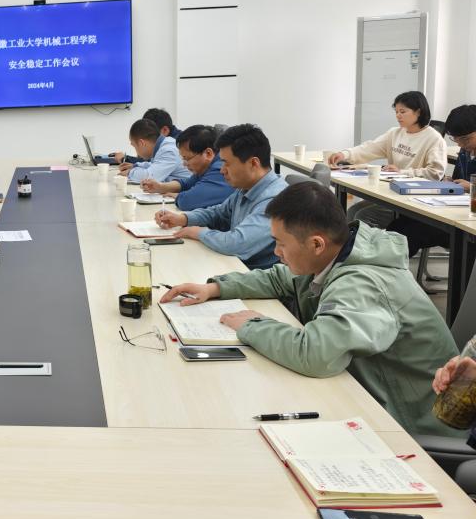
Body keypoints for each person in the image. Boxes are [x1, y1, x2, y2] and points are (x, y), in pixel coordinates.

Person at [161, 182, 459, 437]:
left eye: (280, 243)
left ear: (316, 244)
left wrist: (252, 324)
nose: (276, 252)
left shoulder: (362, 283)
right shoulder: (338, 252)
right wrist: (216, 288)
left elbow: (316, 355)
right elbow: (281, 278)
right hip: (368, 396)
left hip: (408, 425)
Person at [155, 123, 286, 269]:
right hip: (234, 265)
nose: (222, 170)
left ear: (253, 163)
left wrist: (199, 233)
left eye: (227, 164)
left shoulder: (275, 199)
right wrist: (183, 218)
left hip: (252, 274)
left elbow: (237, 243)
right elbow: (218, 213)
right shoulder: (246, 187)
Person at [326, 90, 447, 228]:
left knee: (362, 216)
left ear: (418, 112)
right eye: (396, 112)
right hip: (392, 192)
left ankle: (367, 242)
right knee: (353, 211)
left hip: (412, 199)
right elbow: (370, 148)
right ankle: (351, 242)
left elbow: (435, 173)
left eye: (403, 111)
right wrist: (345, 155)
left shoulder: (433, 139)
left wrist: (402, 172)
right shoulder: (395, 133)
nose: (398, 116)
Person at [388, 104, 476, 257]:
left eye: (465, 139)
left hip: (466, 222)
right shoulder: (465, 151)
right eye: (456, 140)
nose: (461, 145)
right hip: (455, 212)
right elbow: (460, 179)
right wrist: (450, 181)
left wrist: (472, 187)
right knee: (398, 226)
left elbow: (470, 185)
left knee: (410, 234)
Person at [139, 125, 233, 211]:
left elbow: (188, 201)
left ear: (208, 154)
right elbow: (188, 183)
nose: (184, 164)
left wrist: (179, 196)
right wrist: (161, 187)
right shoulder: (206, 167)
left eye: (187, 158)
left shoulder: (220, 170)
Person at [118, 119, 192, 184]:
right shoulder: (163, 144)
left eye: (134, 146)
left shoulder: (168, 150)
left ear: (141, 143)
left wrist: (129, 172)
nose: (136, 152)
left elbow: (150, 177)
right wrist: (135, 165)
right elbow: (155, 165)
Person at [112, 107, 182, 164]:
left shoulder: (175, 145)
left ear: (165, 130)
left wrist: (125, 159)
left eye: (149, 132)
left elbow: (152, 164)